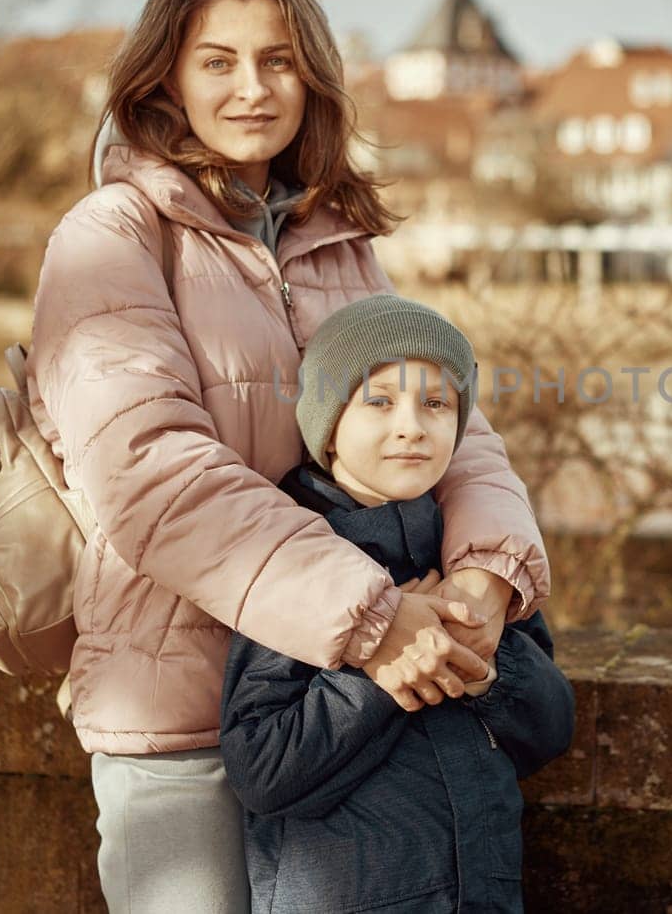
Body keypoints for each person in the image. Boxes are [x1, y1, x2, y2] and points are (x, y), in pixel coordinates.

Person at [26, 0, 550, 913]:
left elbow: (454, 429)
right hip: (182, 705)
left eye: (277, 60)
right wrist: (374, 616)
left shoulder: (338, 245)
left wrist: (486, 575)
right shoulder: (109, 237)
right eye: (217, 61)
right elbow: (148, 474)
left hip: (339, 716)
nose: (253, 88)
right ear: (166, 79)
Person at [220, 295, 576, 913]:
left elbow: (551, 729)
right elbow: (263, 769)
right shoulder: (300, 559)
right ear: (328, 425)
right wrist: (382, 677)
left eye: (436, 403)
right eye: (379, 401)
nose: (412, 425)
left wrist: (488, 668)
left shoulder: (471, 557)